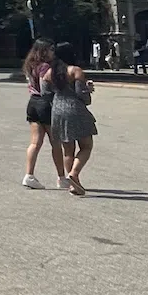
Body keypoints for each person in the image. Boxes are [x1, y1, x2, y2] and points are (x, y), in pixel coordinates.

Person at [43, 41, 97, 196]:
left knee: (68, 150)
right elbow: (82, 95)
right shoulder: (75, 71)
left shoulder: (48, 74)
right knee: (86, 146)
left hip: (57, 111)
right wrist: (89, 89)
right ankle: (74, 173)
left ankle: (74, 185)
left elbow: (46, 95)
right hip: (75, 109)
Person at [21, 39, 66, 190]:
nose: (53, 53)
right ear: (43, 51)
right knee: (56, 143)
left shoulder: (29, 65)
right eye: (50, 50)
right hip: (45, 103)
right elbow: (45, 87)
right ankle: (61, 177)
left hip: (32, 102)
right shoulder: (45, 67)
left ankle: (29, 175)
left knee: (35, 142)